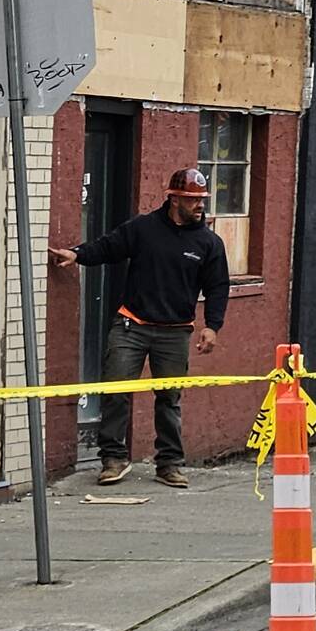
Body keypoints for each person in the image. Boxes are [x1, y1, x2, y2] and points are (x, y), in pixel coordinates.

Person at [50, 168, 230, 488]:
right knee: (115, 390)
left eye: (202, 199)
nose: (200, 205)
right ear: (173, 199)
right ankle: (113, 459)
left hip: (175, 331)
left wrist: (212, 326)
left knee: (169, 398)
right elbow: (108, 247)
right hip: (131, 325)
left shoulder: (209, 243)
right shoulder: (143, 229)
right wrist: (76, 255)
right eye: (192, 200)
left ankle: (169, 463)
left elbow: (218, 287)